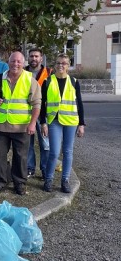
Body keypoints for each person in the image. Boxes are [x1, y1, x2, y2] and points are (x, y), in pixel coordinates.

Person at [0, 51, 41, 195]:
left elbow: (37, 104)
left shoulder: (30, 80)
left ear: (23, 63)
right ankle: (0, 182)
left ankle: (19, 183)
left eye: (18, 61)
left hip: (21, 127)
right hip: (0, 125)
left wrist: (32, 124)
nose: (15, 64)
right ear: (8, 62)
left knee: (21, 157)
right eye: (13, 61)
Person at [40, 54, 85, 193]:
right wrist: (43, 123)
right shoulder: (48, 81)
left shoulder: (74, 81)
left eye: (64, 63)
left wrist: (82, 124)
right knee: (53, 152)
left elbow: (79, 104)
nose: (61, 66)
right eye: (58, 63)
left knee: (67, 151)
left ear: (68, 66)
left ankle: (65, 181)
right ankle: (49, 179)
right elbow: (42, 104)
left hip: (71, 121)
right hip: (54, 121)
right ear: (55, 65)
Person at [25, 48, 51, 179]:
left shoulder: (49, 73)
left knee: (45, 144)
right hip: (26, 113)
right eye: (31, 56)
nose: (33, 59)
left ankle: (45, 169)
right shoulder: (23, 72)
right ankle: (30, 168)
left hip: (43, 114)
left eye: (36, 56)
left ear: (41, 58)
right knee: (28, 143)